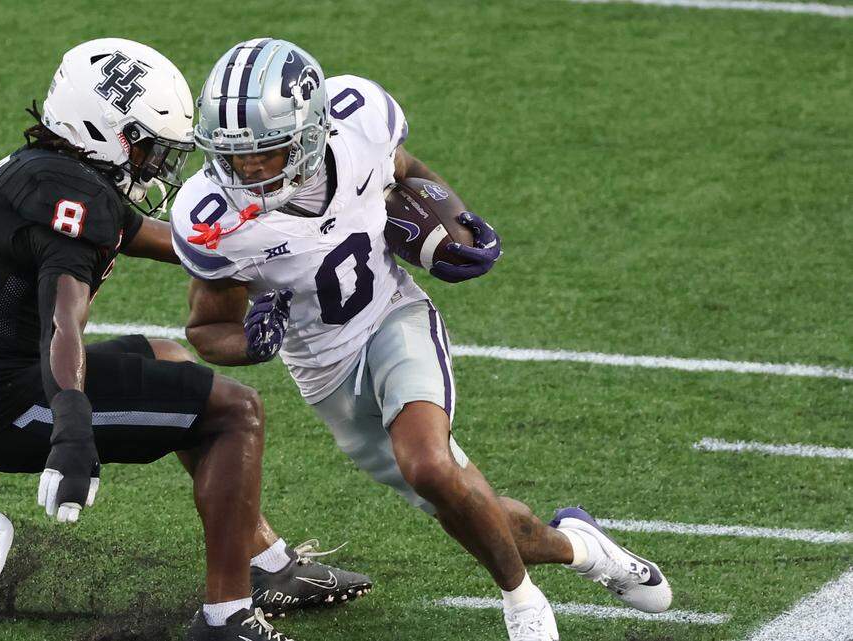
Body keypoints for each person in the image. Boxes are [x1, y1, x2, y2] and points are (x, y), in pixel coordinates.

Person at [170, 37, 673, 641]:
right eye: (234, 156)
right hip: (324, 373)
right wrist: (251, 342)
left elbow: (404, 171)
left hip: (392, 317)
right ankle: (584, 550)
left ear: (308, 133)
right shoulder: (214, 215)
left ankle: (524, 605)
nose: (246, 170)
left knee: (430, 463)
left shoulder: (359, 125)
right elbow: (206, 329)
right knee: (472, 508)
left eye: (265, 154)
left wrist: (452, 221)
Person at [0, 38, 333, 641]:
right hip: (10, 406)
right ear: (103, 128)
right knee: (236, 412)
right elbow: (65, 322)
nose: (155, 164)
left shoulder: (46, 171)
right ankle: (228, 617)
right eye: (146, 144)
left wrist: (257, 256)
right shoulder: (71, 196)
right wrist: (71, 429)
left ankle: (265, 561)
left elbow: (148, 235)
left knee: (168, 358)